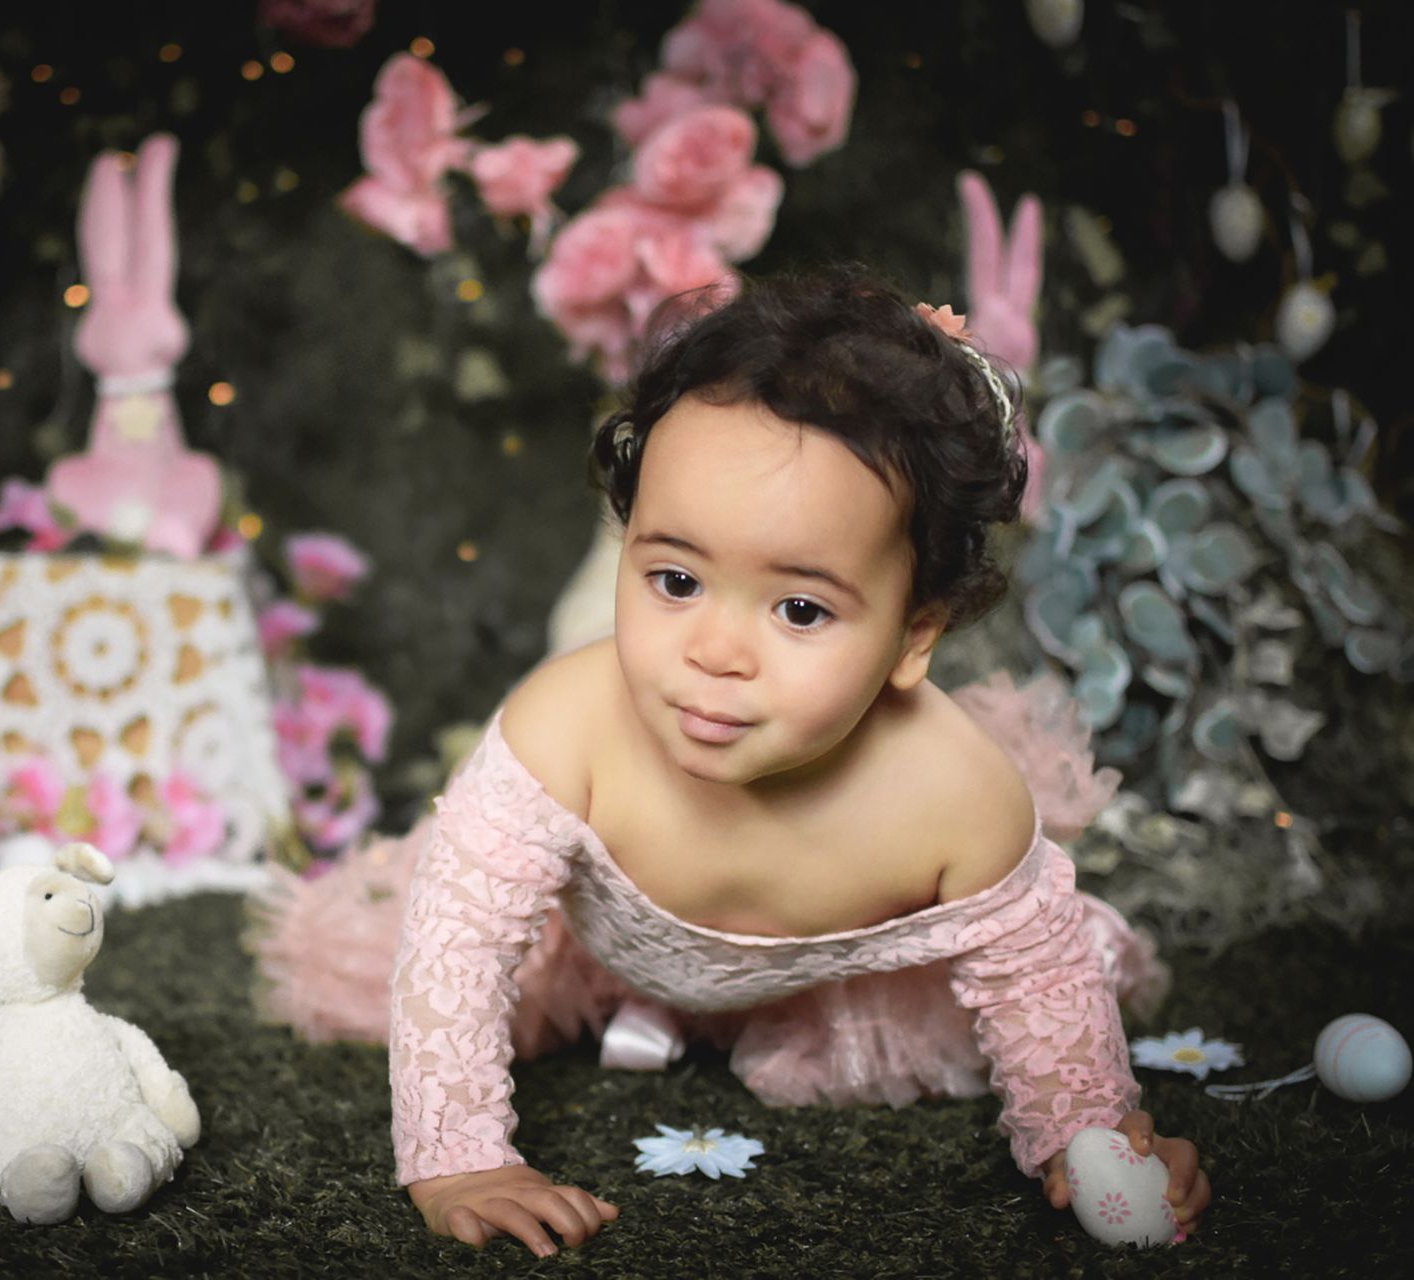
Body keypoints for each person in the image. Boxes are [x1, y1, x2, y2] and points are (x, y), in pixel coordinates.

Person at [251, 266, 1210, 1256]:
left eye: (799, 608)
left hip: (822, 980)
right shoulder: (563, 731)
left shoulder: (953, 796)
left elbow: (1035, 975)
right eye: (675, 579)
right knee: (429, 974)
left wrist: (1090, 1132)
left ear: (913, 634)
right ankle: (635, 1008)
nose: (715, 652)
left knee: (1032, 1006)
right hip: (591, 953)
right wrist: (459, 1158)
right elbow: (459, 943)